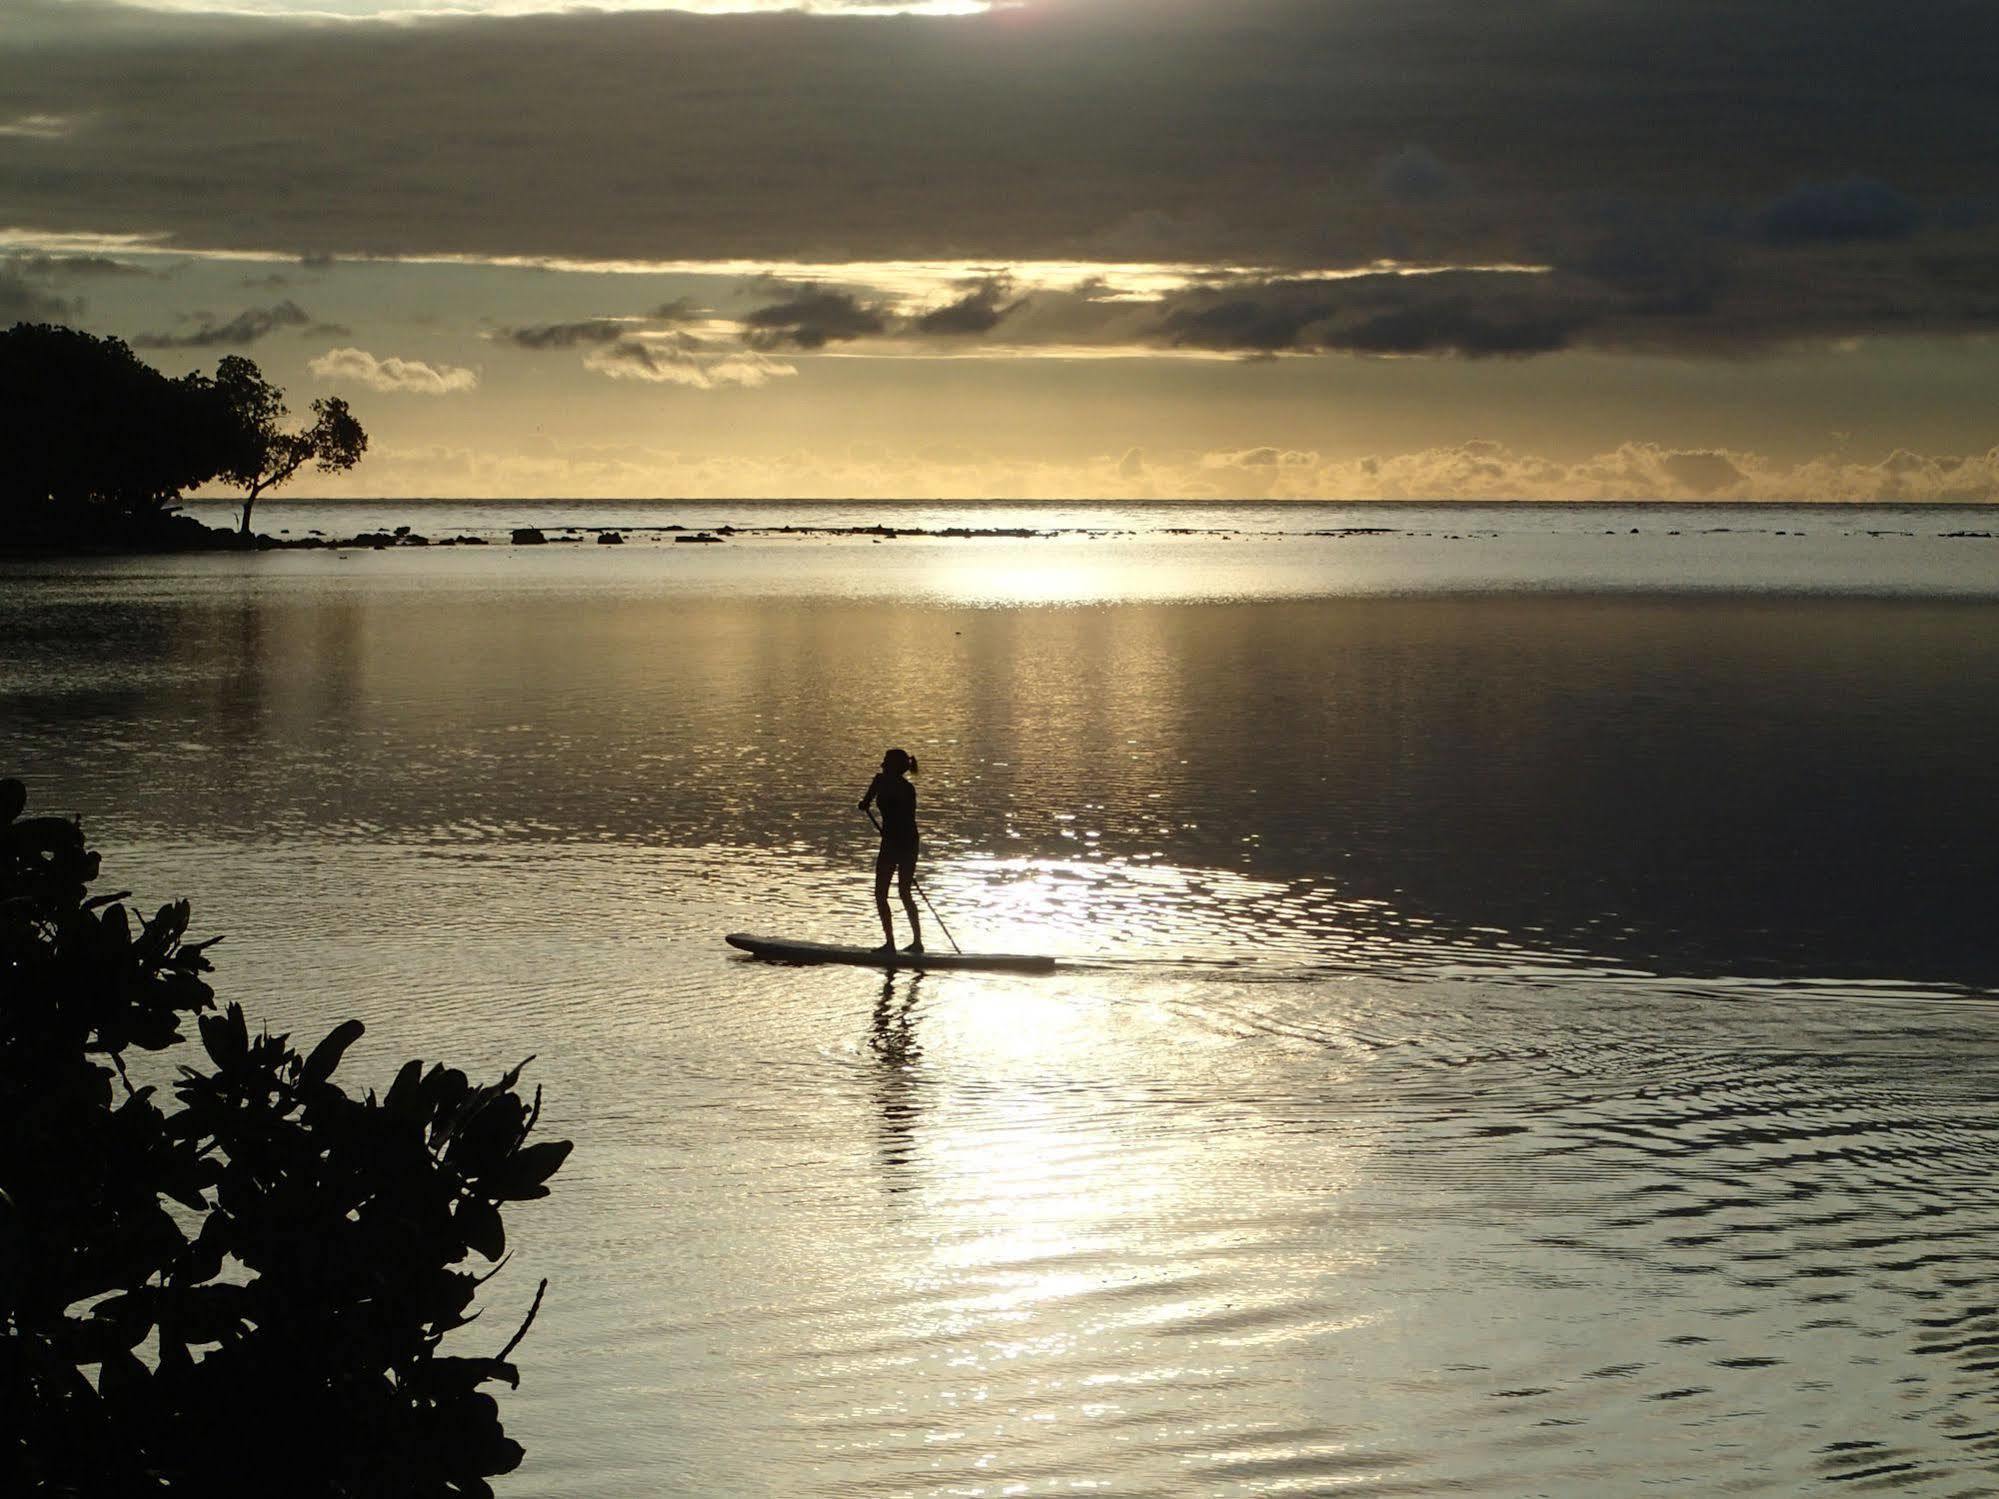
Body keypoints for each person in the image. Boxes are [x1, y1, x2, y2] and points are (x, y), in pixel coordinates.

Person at [859, 748, 923, 955]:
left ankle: (916, 943)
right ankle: (890, 943)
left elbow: (905, 818)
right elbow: (865, 802)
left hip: (904, 843)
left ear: (895, 767)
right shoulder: (879, 781)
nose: (882, 765)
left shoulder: (906, 789)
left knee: (903, 892)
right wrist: (865, 803)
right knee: (881, 894)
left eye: (886, 762)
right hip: (893, 843)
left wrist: (897, 844)